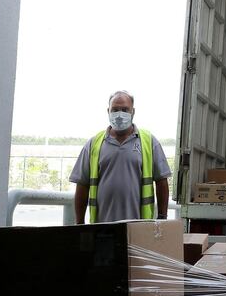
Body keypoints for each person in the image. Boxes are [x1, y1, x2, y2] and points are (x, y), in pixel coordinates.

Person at [70, 90, 172, 224]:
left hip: (139, 227)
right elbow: (82, 185)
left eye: (125, 109)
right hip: (101, 227)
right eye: (115, 110)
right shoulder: (94, 144)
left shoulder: (149, 142)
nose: (119, 115)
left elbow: (161, 182)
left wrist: (162, 219)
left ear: (133, 112)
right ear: (108, 111)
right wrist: (79, 224)